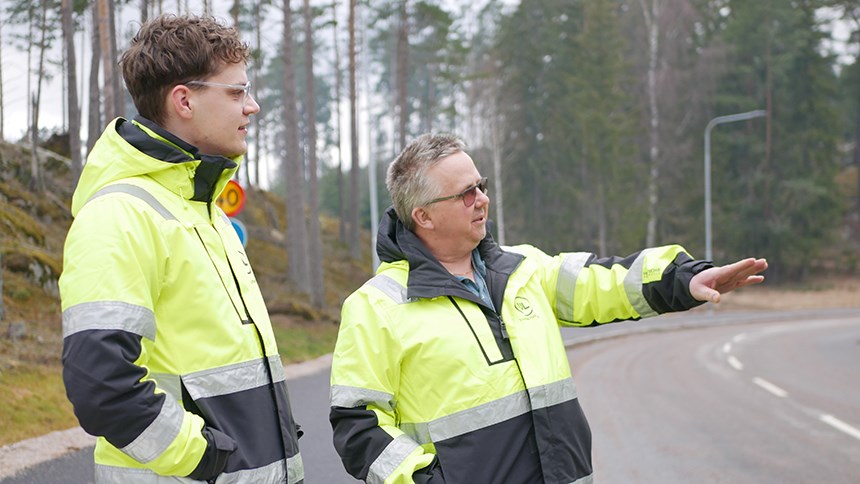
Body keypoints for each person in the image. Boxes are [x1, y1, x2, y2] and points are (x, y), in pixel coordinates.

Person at [329, 133, 767, 483]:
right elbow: (358, 426)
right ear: (423, 216)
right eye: (465, 194)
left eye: (481, 186)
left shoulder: (523, 268)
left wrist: (685, 279)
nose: (481, 199)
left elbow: (605, 280)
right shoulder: (376, 307)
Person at [59, 14, 303, 483]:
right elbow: (101, 384)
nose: (251, 106)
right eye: (236, 92)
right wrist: (205, 458)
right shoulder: (119, 215)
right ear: (184, 100)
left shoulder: (205, 212)